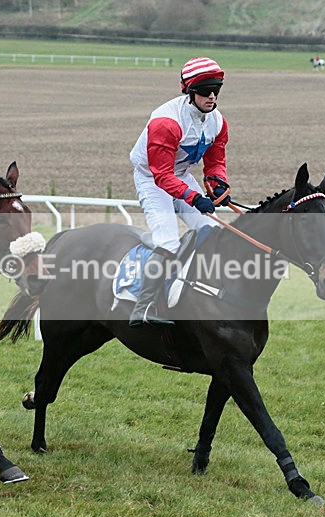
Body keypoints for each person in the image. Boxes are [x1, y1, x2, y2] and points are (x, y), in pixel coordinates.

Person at [128, 56, 230, 327]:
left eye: (216, 90)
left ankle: (196, 290)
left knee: (212, 230)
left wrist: (218, 184)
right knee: (169, 241)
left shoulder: (217, 122)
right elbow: (162, 176)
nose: (212, 96)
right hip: (152, 179)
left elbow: (215, 162)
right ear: (190, 92)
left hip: (181, 176)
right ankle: (144, 306)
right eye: (206, 91)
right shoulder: (166, 122)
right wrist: (195, 197)